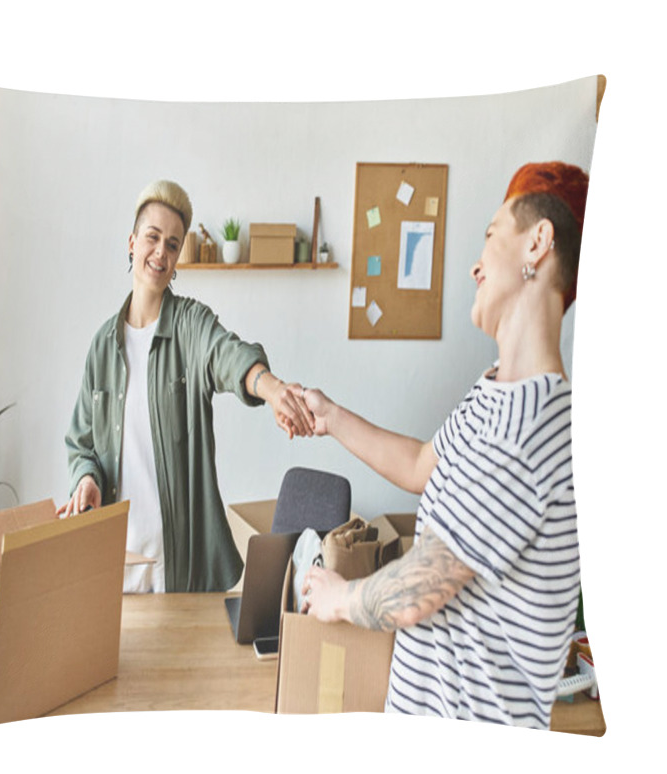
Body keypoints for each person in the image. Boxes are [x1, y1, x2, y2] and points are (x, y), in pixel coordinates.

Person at [298, 162, 589, 729]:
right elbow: (419, 465)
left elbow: (423, 586)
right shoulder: (493, 392)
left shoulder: (529, 432)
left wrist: (340, 598)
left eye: (490, 235)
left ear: (538, 242)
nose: (477, 265)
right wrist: (330, 416)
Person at [59, 179, 314, 593]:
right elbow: (82, 443)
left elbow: (227, 354)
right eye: (153, 238)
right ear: (132, 243)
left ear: (178, 260)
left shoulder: (190, 325)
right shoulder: (102, 347)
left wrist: (271, 388)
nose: (161, 252)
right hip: (112, 560)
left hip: (178, 565)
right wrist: (85, 478)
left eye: (173, 245)